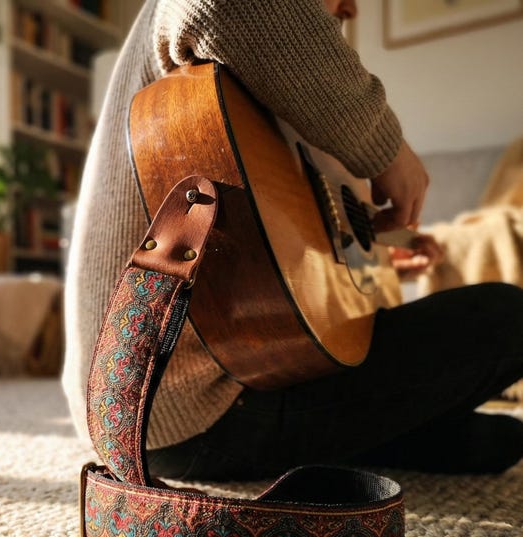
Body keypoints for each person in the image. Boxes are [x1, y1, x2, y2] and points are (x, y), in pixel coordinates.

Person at [62, 0, 523, 479]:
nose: (353, 8)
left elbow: (267, 258)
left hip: (145, 410)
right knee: (507, 319)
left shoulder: (241, 94)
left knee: (495, 443)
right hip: (189, 412)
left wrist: (371, 251)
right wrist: (387, 151)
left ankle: (364, 442)